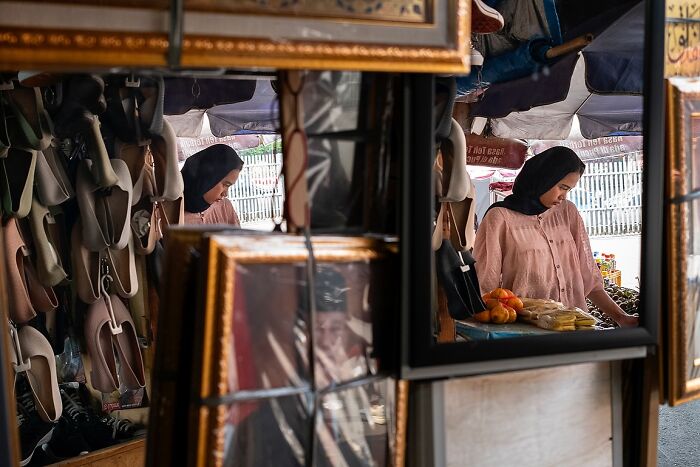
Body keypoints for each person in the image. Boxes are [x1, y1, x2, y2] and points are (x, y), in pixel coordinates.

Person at [473, 146, 638, 327]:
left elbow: (589, 278)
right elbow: (485, 288)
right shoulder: (500, 218)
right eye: (562, 187)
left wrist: (621, 318)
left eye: (569, 190)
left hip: (575, 328)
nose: (563, 196)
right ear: (544, 179)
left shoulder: (567, 212)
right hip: (526, 333)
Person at [181, 144, 243, 225]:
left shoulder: (224, 207)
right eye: (225, 185)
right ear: (207, 178)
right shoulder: (167, 214)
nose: (225, 194)